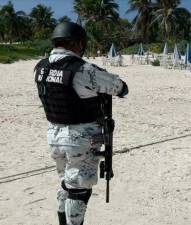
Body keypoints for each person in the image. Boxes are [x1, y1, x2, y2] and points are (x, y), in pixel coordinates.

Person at [34, 22, 129, 225]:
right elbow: (120, 88)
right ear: (78, 43)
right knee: (79, 190)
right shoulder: (82, 69)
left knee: (66, 183)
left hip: (53, 133)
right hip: (79, 138)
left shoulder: (41, 67)